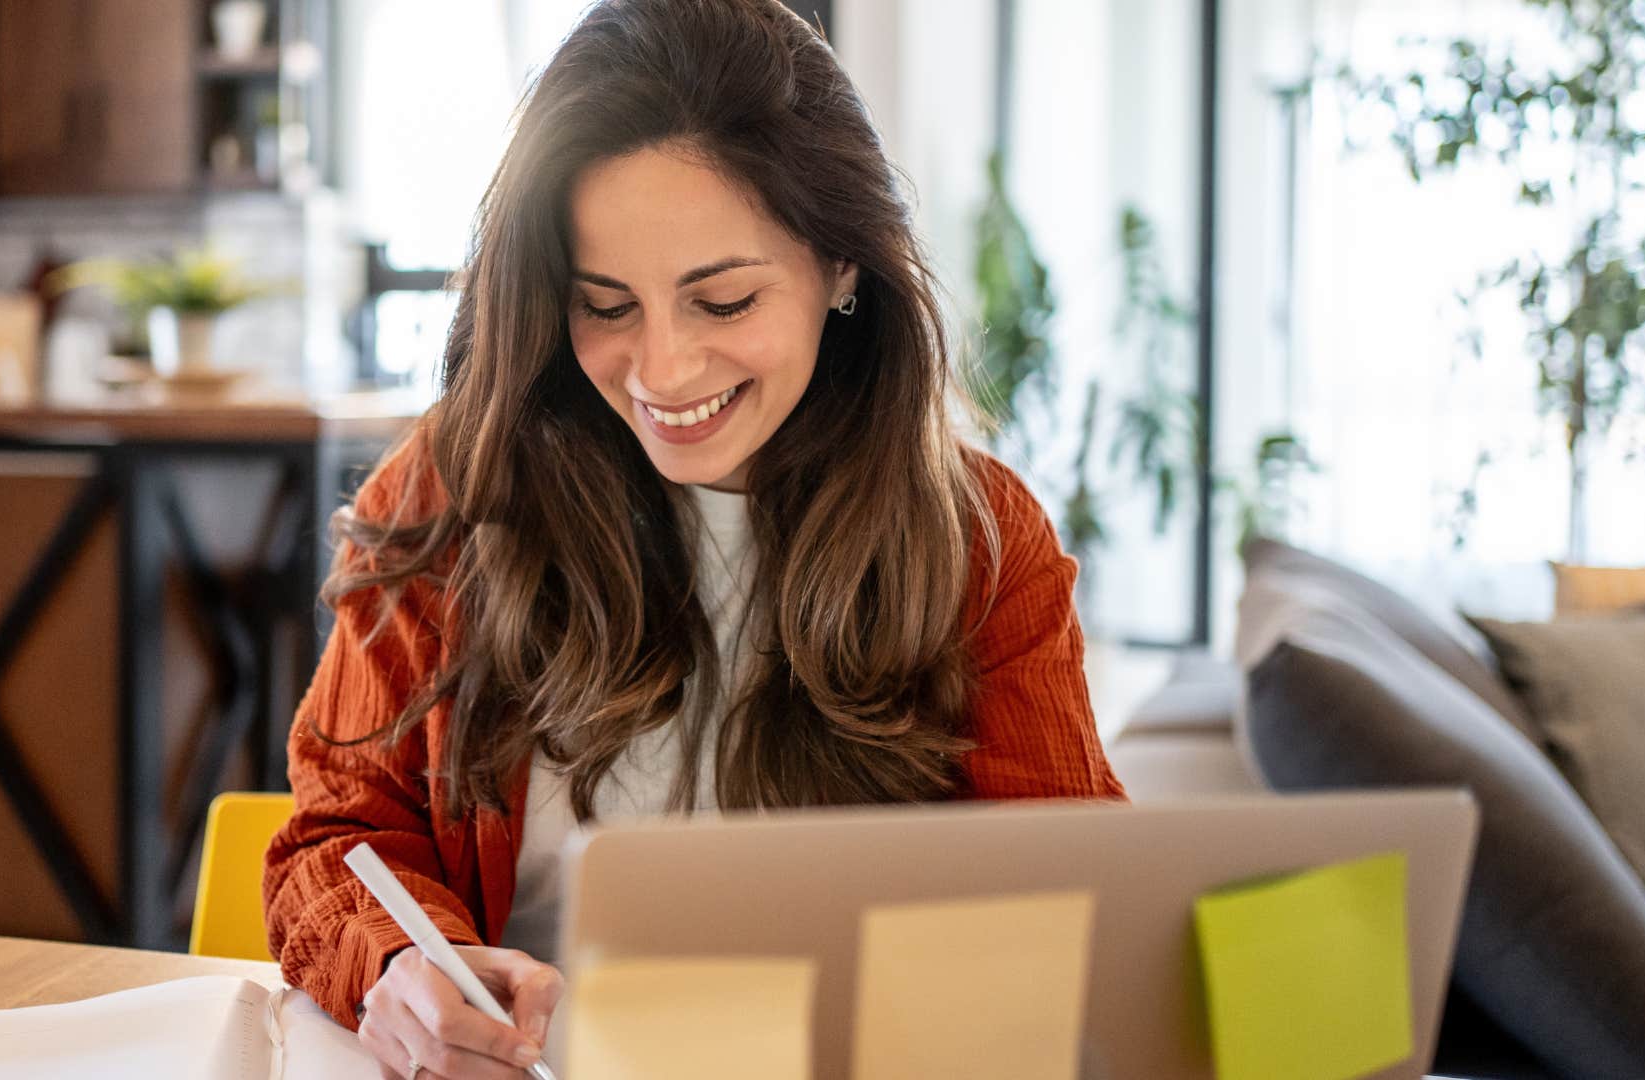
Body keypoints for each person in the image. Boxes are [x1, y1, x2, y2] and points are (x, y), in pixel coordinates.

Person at [262, 1, 1126, 1076]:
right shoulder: (456, 493)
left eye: (721, 301)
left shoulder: (979, 541)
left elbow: (1074, 903)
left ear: (845, 267)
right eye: (605, 306)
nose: (662, 372)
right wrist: (396, 966)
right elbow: (335, 839)